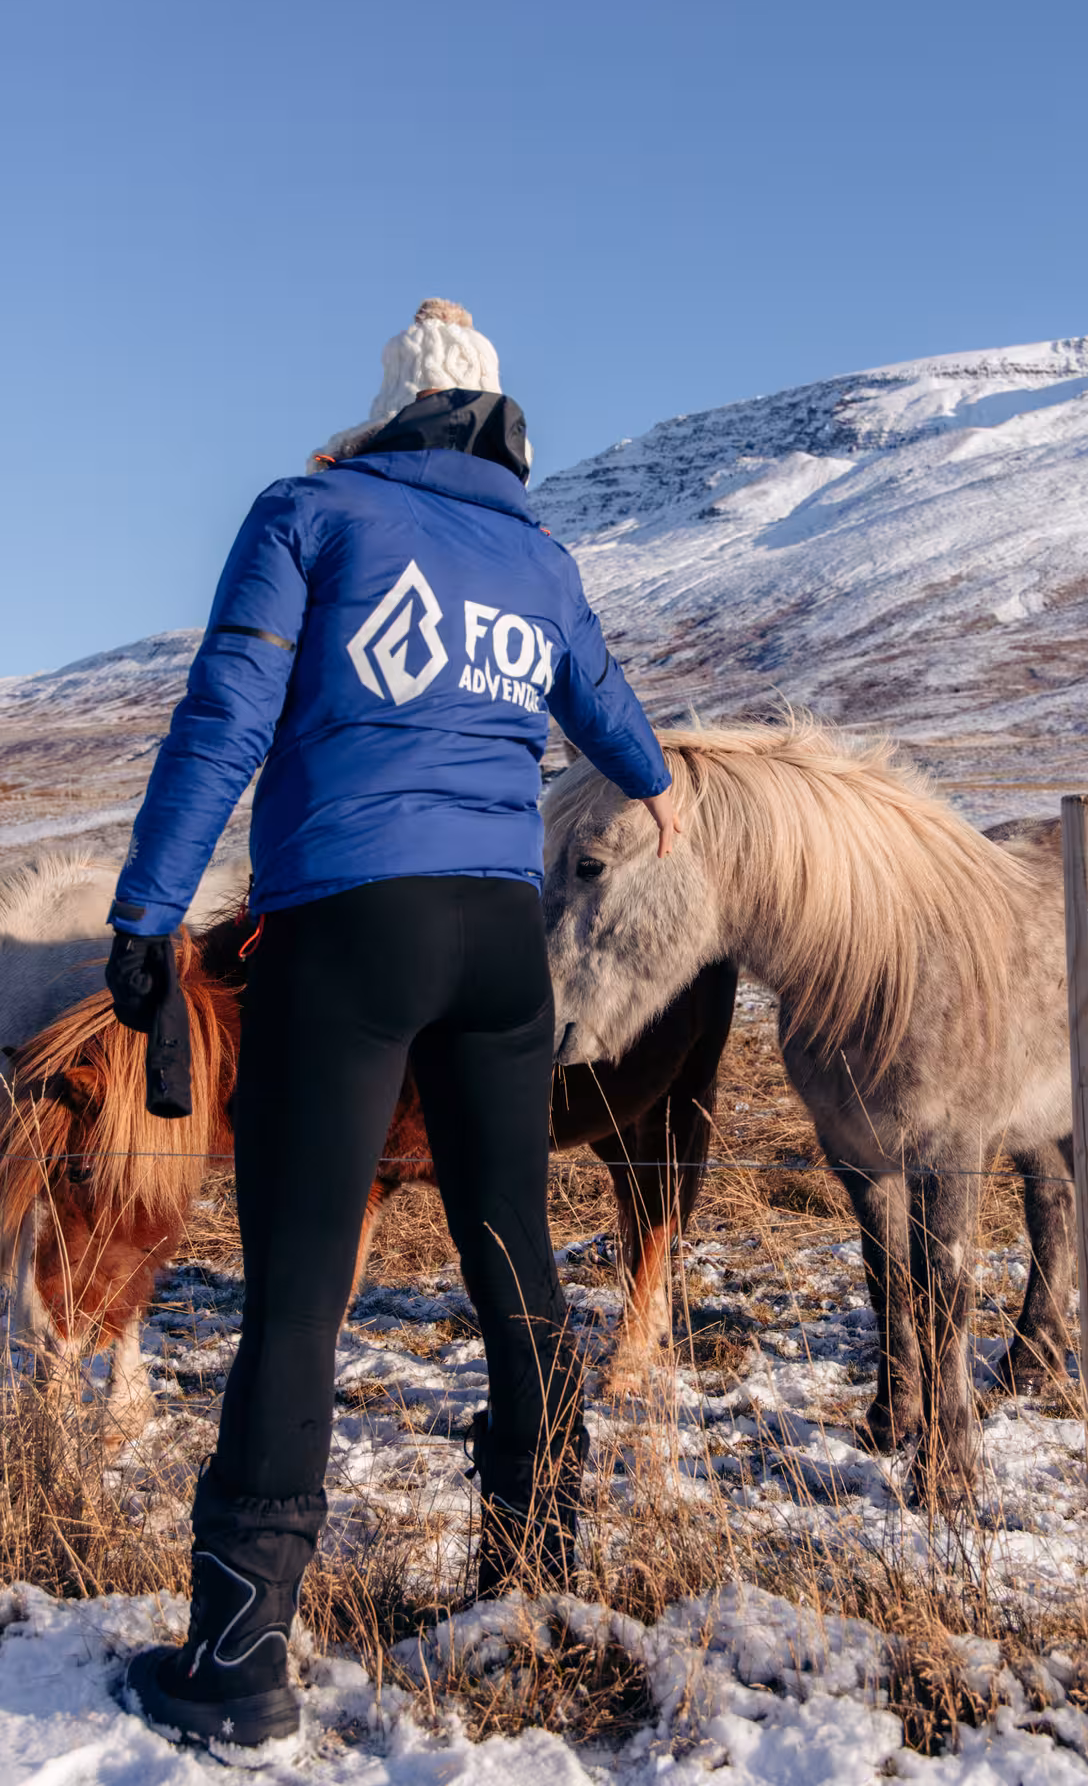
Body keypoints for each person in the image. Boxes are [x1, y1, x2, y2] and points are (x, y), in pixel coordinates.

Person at [107, 300, 678, 1754]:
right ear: (496, 426)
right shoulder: (536, 558)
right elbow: (617, 726)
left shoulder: (311, 510)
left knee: (298, 1295)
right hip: (498, 942)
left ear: (389, 413)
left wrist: (146, 913)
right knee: (516, 1266)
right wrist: (655, 786)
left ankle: (238, 1665)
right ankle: (536, 1586)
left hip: (347, 929)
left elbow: (224, 716)